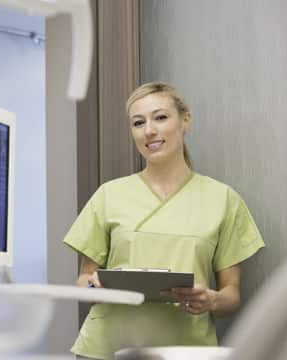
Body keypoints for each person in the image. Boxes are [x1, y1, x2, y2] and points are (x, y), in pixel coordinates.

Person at [63, 82, 265, 359]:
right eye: (138, 122)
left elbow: (232, 295)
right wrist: (92, 286)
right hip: (108, 348)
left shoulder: (223, 199)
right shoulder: (109, 195)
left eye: (160, 117)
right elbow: (84, 279)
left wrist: (212, 299)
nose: (149, 131)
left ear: (185, 120)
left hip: (187, 350)